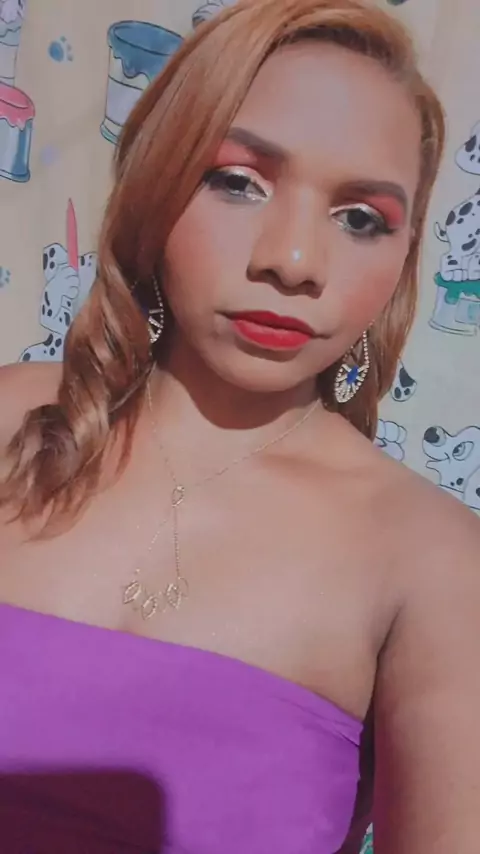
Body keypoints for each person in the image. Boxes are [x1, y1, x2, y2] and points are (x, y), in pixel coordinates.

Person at [0, 0, 479, 851]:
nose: (291, 262)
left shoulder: (433, 561)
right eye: (237, 181)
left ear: (406, 253)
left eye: (361, 218)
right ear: (155, 185)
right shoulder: (10, 418)